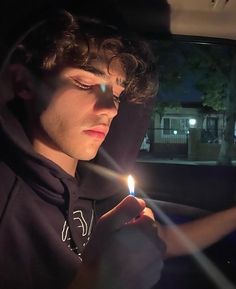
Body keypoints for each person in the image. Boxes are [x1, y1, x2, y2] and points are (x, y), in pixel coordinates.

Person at [1, 9, 236, 289]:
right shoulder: (7, 201)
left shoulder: (95, 188)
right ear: (23, 83)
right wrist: (96, 281)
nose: (110, 109)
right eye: (85, 83)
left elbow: (165, 241)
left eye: (116, 94)